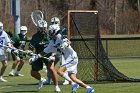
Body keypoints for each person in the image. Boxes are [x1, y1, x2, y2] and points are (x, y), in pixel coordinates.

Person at [31, 24, 94, 93]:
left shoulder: (60, 36)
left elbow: (67, 41)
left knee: (59, 71)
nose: (49, 33)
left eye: (51, 31)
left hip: (72, 57)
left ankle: (73, 83)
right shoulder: (52, 42)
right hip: (68, 59)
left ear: (55, 31)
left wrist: (64, 45)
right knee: (73, 77)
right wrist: (36, 57)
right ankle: (89, 88)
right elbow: (44, 51)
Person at [28, 20, 60, 92]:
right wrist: (29, 52)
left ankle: (56, 86)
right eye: (41, 28)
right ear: (38, 28)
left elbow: (56, 46)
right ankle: (41, 80)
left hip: (49, 54)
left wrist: (53, 55)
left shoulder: (50, 35)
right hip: (39, 55)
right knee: (33, 72)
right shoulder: (35, 37)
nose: (43, 30)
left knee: (51, 69)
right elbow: (30, 48)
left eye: (44, 28)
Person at [50, 17, 70, 85]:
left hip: (62, 50)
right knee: (49, 64)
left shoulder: (62, 30)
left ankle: (67, 79)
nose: (54, 24)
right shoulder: (50, 30)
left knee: (63, 65)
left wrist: (63, 45)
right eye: (53, 23)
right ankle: (49, 78)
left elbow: (67, 41)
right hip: (54, 50)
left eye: (56, 23)